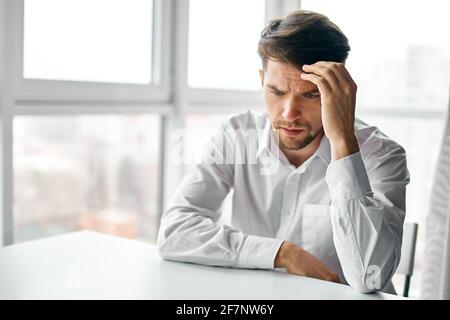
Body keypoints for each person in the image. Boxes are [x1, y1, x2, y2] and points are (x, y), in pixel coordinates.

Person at [157, 10, 410, 294]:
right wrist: (281, 253)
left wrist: (342, 142)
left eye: (310, 94)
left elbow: (370, 277)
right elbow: (174, 232)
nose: (289, 114)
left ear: (340, 93)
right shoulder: (236, 136)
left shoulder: (382, 156)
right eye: (276, 92)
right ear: (262, 80)